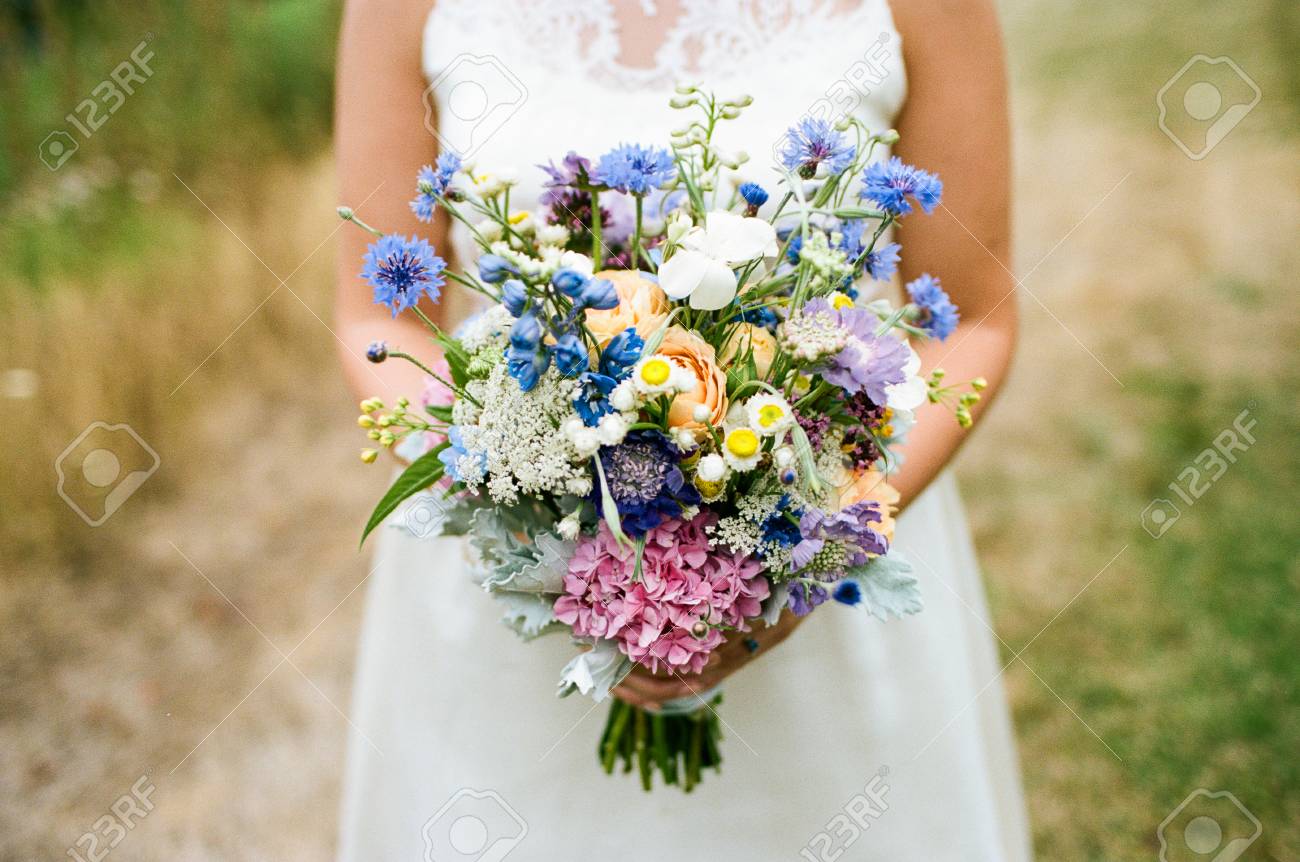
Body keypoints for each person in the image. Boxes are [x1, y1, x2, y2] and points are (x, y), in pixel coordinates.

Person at [335, 1, 1029, 858]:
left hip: (822, 577)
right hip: (510, 584)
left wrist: (808, 550)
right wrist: (522, 503)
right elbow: (378, 321)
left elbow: (972, 321)